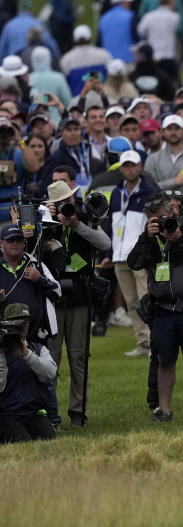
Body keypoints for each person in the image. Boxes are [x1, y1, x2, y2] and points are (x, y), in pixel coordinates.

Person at [127, 193, 183, 423]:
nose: (160, 223)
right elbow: (133, 262)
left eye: (163, 217)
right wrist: (146, 238)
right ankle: (164, 410)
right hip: (162, 309)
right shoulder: (150, 237)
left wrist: (179, 237)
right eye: (154, 219)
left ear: (173, 212)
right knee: (164, 360)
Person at [45, 175, 111, 428]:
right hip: (52, 297)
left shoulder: (84, 218)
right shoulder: (45, 221)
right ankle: (49, 411)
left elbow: (105, 244)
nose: (65, 206)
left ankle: (77, 411)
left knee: (78, 356)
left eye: (68, 200)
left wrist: (75, 225)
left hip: (80, 297)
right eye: (59, 203)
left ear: (74, 198)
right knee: (49, 357)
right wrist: (47, 222)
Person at [106, 150, 159, 357]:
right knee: (131, 302)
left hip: (141, 256)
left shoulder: (150, 191)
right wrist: (109, 252)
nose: (129, 169)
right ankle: (143, 341)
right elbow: (110, 224)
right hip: (120, 256)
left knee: (147, 299)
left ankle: (156, 340)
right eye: (125, 166)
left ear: (140, 167)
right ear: (121, 169)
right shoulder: (117, 192)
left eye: (133, 165)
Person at [0, 303, 58, 444]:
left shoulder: (39, 348)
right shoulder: (1, 352)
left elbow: (51, 374)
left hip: (33, 413)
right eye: (15, 323)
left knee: (48, 438)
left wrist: (27, 354)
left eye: (25, 322)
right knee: (21, 440)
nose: (21, 327)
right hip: (5, 414)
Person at [144, 115, 183, 195]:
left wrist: (163, 187)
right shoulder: (152, 159)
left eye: (177, 128)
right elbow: (149, 188)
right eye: (169, 129)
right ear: (162, 132)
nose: (173, 132)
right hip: (160, 207)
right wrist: (175, 182)